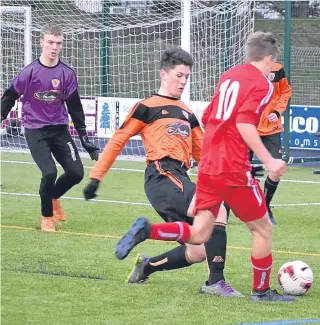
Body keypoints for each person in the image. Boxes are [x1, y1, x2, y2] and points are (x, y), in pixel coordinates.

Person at [114, 32, 296, 302]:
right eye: (273, 65)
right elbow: (245, 124)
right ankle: (261, 291)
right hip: (231, 166)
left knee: (200, 233)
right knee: (263, 228)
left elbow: (211, 116)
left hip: (209, 166)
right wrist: (269, 161)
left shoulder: (228, 76)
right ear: (269, 59)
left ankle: (148, 231)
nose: (272, 70)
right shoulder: (263, 84)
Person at [83, 47, 242, 297]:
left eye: (186, 77)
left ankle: (147, 267)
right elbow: (118, 140)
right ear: (163, 74)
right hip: (162, 174)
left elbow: (203, 153)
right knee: (216, 207)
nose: (183, 81)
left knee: (200, 250)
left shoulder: (187, 112)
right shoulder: (146, 107)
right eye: (179, 75)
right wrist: (95, 177)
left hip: (180, 176)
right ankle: (215, 283)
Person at [1, 24, 99, 232]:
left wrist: (84, 139)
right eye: (50, 42)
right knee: (49, 173)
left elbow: (75, 108)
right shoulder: (29, 72)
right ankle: (46, 217)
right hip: (35, 130)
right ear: (42, 43)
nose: (54, 47)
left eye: (58, 43)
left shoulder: (67, 74)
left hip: (59, 129)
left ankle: (53, 197)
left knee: (76, 173)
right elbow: (10, 96)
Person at [225, 62, 292, 224]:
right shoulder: (246, 70)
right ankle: (225, 210)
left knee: (277, 169)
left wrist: (277, 111)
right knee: (236, 170)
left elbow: (285, 91)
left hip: (271, 129)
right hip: (248, 127)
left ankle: (265, 207)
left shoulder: (277, 69)